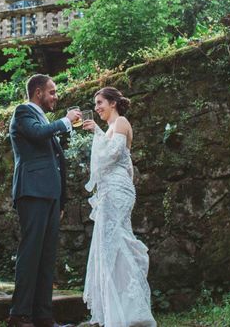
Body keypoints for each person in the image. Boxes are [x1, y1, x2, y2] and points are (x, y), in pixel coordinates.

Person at [8, 74, 82, 327]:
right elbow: (37, 134)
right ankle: (19, 315)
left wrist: (61, 201)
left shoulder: (42, 117)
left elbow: (56, 161)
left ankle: (43, 317)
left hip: (50, 195)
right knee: (31, 253)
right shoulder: (23, 112)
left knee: (47, 256)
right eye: (52, 92)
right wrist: (65, 121)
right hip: (32, 191)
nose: (55, 96)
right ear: (38, 92)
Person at [81, 87, 156, 327]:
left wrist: (96, 133)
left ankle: (132, 311)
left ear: (113, 103)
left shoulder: (122, 122)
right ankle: (119, 310)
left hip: (117, 191)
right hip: (108, 192)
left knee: (117, 243)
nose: (97, 108)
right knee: (109, 247)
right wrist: (98, 131)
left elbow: (111, 156)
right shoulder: (110, 129)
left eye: (100, 102)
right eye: (96, 104)